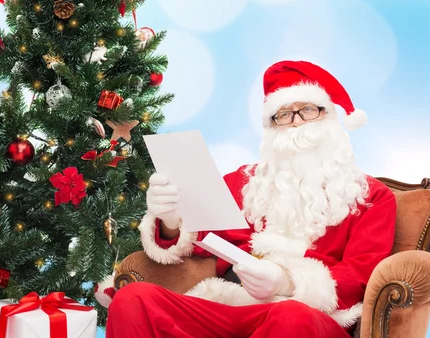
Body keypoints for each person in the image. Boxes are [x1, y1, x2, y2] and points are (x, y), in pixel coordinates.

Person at [105, 60, 397, 338]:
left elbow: (362, 274)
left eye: (308, 110)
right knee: (134, 298)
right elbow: (198, 236)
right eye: (283, 114)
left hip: (309, 316)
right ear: (271, 126)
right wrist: (170, 218)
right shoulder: (245, 183)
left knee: (292, 315)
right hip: (230, 307)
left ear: (331, 116)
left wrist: (287, 281)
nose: (295, 123)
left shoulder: (371, 197)